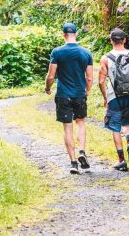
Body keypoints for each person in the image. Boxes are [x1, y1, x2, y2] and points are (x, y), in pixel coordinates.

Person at [45, 23, 93, 174]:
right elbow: (90, 78)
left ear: (63, 34)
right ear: (76, 34)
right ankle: (82, 151)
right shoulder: (86, 53)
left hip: (63, 94)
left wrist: (47, 87)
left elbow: (51, 76)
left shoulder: (57, 52)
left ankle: (73, 163)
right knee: (80, 123)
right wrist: (86, 91)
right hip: (79, 94)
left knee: (67, 127)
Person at [99, 28, 129, 171]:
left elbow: (101, 81)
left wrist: (105, 97)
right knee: (127, 121)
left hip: (114, 96)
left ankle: (121, 160)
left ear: (111, 41)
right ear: (125, 40)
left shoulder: (106, 58)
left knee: (115, 126)